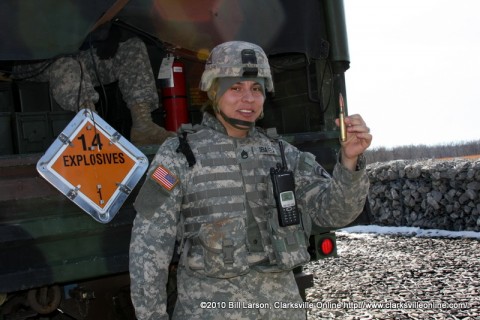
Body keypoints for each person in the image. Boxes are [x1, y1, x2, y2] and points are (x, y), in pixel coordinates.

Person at [129, 41, 372, 320]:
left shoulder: (283, 154)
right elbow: (147, 248)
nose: (248, 98)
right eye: (236, 88)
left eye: (256, 89)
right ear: (214, 91)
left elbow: (335, 212)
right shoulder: (180, 155)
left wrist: (350, 162)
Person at [12, 23, 174, 145]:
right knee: (67, 64)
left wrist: (112, 34)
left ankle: (143, 125)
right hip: (31, 59)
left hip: (74, 51)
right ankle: (92, 130)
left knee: (132, 47)